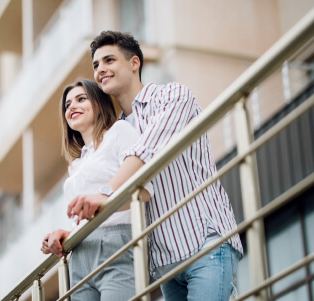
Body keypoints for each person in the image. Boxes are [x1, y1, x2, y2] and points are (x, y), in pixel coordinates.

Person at [67, 31, 243, 300]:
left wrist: (105, 195)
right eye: (96, 65)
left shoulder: (172, 95)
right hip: (164, 262)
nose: (100, 69)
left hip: (205, 242)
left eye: (109, 60)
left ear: (134, 63)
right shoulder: (120, 130)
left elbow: (147, 150)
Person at [41, 79, 151, 301]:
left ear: (99, 103)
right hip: (80, 254)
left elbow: (144, 191)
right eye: (67, 105)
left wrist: (103, 202)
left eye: (81, 99)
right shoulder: (76, 164)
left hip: (116, 243)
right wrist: (68, 234)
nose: (72, 106)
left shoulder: (119, 132)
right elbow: (88, 215)